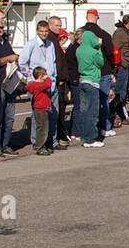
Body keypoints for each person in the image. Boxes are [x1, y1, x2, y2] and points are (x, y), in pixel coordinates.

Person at [19, 19, 58, 150]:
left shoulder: (50, 44)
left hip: (51, 83)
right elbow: (21, 61)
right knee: (39, 116)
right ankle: (37, 142)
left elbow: (53, 62)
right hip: (39, 86)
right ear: (37, 31)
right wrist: (29, 77)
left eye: (46, 31)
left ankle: (52, 140)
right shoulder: (31, 44)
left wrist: (54, 77)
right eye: (41, 31)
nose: (44, 33)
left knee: (52, 114)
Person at [83, 9, 117, 140]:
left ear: (87, 17)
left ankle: (84, 130)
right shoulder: (104, 35)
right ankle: (104, 127)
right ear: (97, 18)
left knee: (86, 103)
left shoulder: (81, 33)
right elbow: (109, 53)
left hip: (85, 73)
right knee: (103, 100)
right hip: (102, 71)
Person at [0, 10, 19, 157]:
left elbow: (11, 55)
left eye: (2, 27)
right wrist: (8, 58)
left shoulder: (5, 40)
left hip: (10, 82)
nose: (0, 30)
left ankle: (6, 144)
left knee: (10, 116)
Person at [76, 26, 107, 147]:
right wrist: (98, 47)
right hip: (92, 81)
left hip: (82, 80)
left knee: (84, 111)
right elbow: (101, 62)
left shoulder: (79, 50)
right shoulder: (93, 52)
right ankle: (91, 138)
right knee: (93, 111)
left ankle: (84, 137)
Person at [47, 16, 72, 145]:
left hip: (60, 79)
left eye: (60, 25)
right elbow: (56, 61)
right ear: (50, 25)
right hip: (57, 80)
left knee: (60, 109)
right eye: (56, 25)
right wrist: (61, 78)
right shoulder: (51, 40)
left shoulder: (54, 40)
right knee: (57, 110)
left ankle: (58, 135)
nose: (58, 28)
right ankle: (57, 136)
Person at [111, 15, 129, 123]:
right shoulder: (120, 33)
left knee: (123, 91)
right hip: (121, 67)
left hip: (125, 65)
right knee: (120, 92)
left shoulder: (124, 32)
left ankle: (121, 114)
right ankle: (118, 114)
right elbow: (115, 49)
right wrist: (119, 63)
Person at [26, 68, 54, 155]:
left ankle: (42, 145)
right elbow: (48, 84)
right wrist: (48, 78)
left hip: (39, 109)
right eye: (44, 75)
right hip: (41, 109)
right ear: (41, 76)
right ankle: (40, 146)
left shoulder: (33, 85)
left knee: (40, 127)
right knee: (43, 129)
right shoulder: (39, 86)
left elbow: (28, 87)